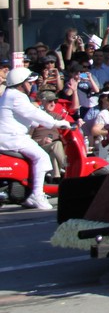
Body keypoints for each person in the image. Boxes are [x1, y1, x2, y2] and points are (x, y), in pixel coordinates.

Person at [0, 67, 72, 209]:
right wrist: (57, 123)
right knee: (42, 157)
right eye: (29, 82)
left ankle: (27, 195)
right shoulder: (16, 96)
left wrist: (43, 121)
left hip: (10, 137)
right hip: (13, 138)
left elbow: (28, 116)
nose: (31, 85)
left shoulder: (9, 95)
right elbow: (34, 113)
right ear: (21, 83)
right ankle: (37, 195)